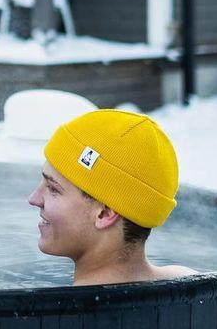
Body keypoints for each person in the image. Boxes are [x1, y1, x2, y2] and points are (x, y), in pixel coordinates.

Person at [27, 108, 194, 285]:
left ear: (104, 213)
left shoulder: (66, 311)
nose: (33, 198)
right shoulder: (190, 284)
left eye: (53, 189)